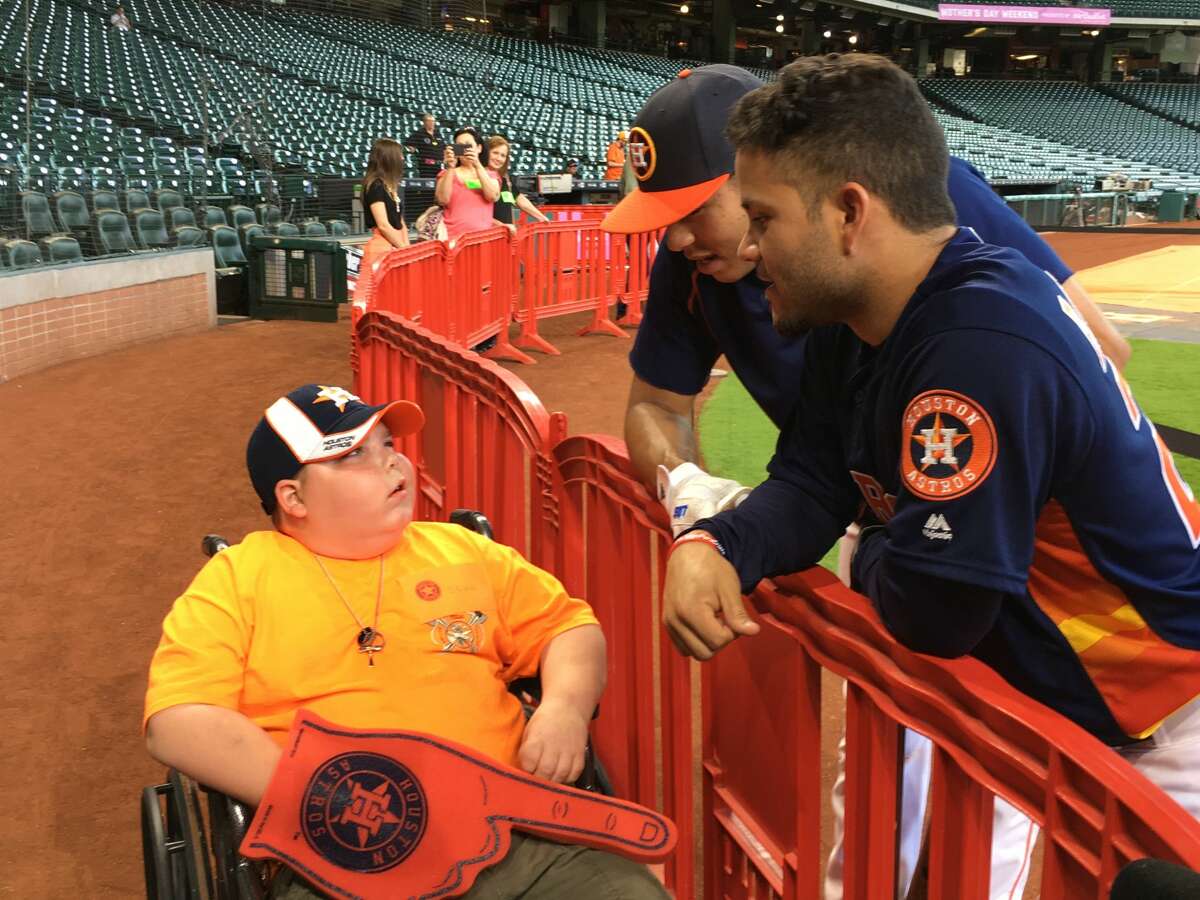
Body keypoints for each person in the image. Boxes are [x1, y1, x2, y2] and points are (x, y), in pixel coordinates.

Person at [660, 51, 1200, 898]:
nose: (751, 243)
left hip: (1165, 700)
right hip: (1062, 696)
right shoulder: (863, 318)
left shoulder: (978, 346)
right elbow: (810, 482)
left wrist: (869, 550)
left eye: (764, 217)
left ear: (848, 213)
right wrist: (718, 543)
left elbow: (940, 607)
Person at [144, 384, 669, 900]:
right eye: (354, 455)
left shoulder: (460, 550)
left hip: (517, 833)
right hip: (346, 855)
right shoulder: (240, 578)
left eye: (389, 446)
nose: (394, 465)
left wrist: (563, 709)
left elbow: (568, 627)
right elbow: (178, 720)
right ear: (294, 497)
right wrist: (329, 798)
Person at [354, 138, 409, 305]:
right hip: (382, 246)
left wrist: (405, 246)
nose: (402, 159)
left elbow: (400, 221)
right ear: (389, 157)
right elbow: (383, 225)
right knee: (378, 296)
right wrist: (404, 248)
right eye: (399, 155)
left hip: (395, 243)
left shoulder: (390, 186)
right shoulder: (376, 185)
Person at [436, 127, 500, 244]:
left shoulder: (491, 175)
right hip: (453, 242)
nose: (465, 150)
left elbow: (492, 196)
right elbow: (442, 200)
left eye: (468, 145)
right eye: (460, 146)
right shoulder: (446, 174)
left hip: (483, 242)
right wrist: (450, 167)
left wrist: (477, 165)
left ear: (479, 148)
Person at [487, 135, 549, 233]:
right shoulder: (477, 177)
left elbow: (518, 198)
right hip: (488, 237)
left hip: (505, 236)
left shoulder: (505, 178)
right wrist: (501, 226)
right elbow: (476, 213)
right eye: (495, 153)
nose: (499, 158)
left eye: (503, 155)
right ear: (486, 152)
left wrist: (540, 216)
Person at [404, 113, 445, 178]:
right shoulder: (419, 133)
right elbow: (408, 144)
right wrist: (416, 154)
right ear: (424, 122)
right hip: (426, 167)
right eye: (429, 121)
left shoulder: (437, 133)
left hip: (439, 165)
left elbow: (443, 147)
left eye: (433, 121)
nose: (432, 123)